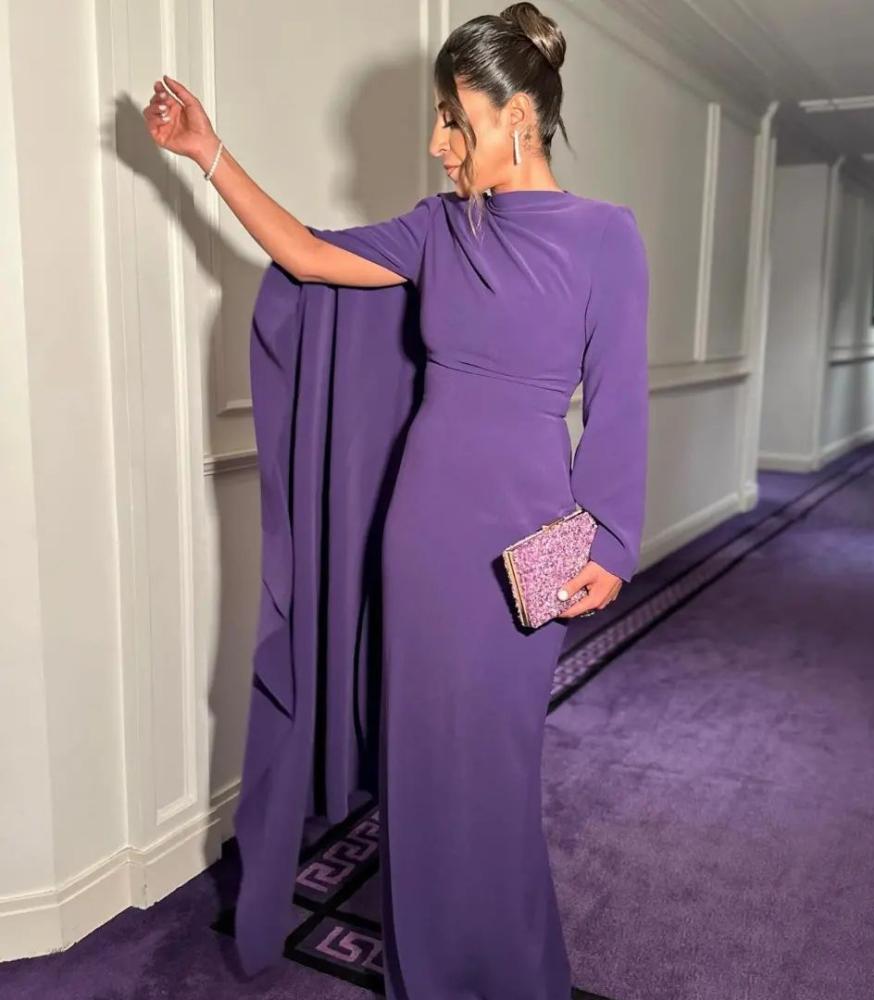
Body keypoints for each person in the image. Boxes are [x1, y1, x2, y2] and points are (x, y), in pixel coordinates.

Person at [144, 3, 649, 997]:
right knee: (417, 781)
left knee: (497, 775)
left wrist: (612, 541)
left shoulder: (606, 239)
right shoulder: (438, 228)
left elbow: (620, 401)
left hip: (529, 538)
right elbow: (305, 255)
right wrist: (209, 154)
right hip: (419, 537)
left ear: (516, 118)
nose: (436, 143)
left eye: (454, 120)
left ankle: (513, 974)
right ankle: (426, 977)